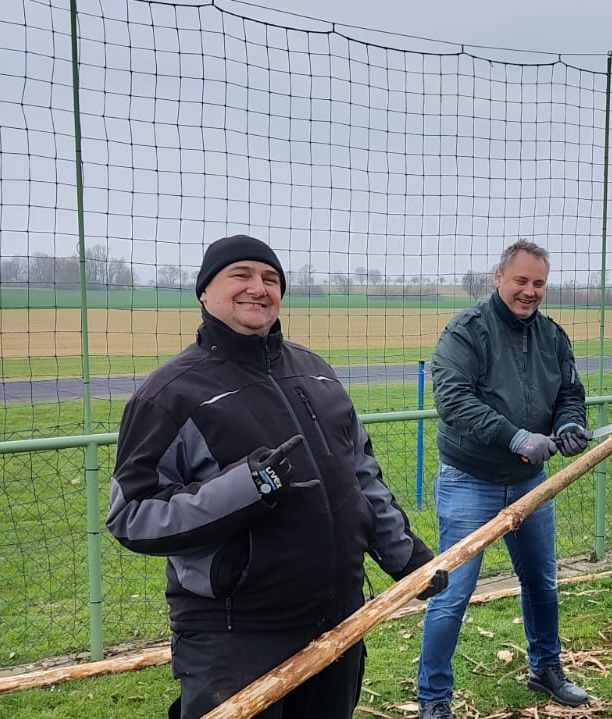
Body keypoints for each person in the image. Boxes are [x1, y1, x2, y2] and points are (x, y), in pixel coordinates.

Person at [106, 234, 445, 719]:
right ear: (205, 291)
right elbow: (132, 514)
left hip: (338, 622)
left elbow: (361, 477)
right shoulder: (170, 395)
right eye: (240, 275)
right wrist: (246, 488)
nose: (258, 288)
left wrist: (406, 558)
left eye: (270, 279)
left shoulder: (316, 373)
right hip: (236, 636)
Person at [416, 240, 592, 719]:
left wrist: (568, 424)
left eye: (538, 283)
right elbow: (453, 400)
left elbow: (570, 393)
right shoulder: (466, 332)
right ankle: (433, 699)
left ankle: (546, 669)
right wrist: (516, 437)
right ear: (498, 278)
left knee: (541, 582)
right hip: (469, 480)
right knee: (452, 593)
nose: (529, 291)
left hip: (530, 483)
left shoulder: (553, 336)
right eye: (521, 281)